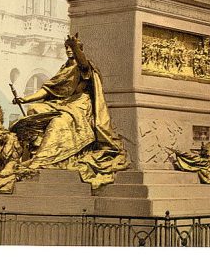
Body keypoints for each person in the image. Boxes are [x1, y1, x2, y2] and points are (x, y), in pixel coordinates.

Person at [12, 34, 127, 184]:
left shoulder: (85, 67)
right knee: (33, 109)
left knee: (60, 121)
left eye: (71, 47)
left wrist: (75, 47)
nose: (68, 50)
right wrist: (25, 99)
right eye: (66, 47)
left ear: (79, 49)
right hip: (64, 103)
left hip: (80, 105)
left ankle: (46, 158)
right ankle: (34, 152)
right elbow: (49, 89)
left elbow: (83, 63)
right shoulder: (64, 68)